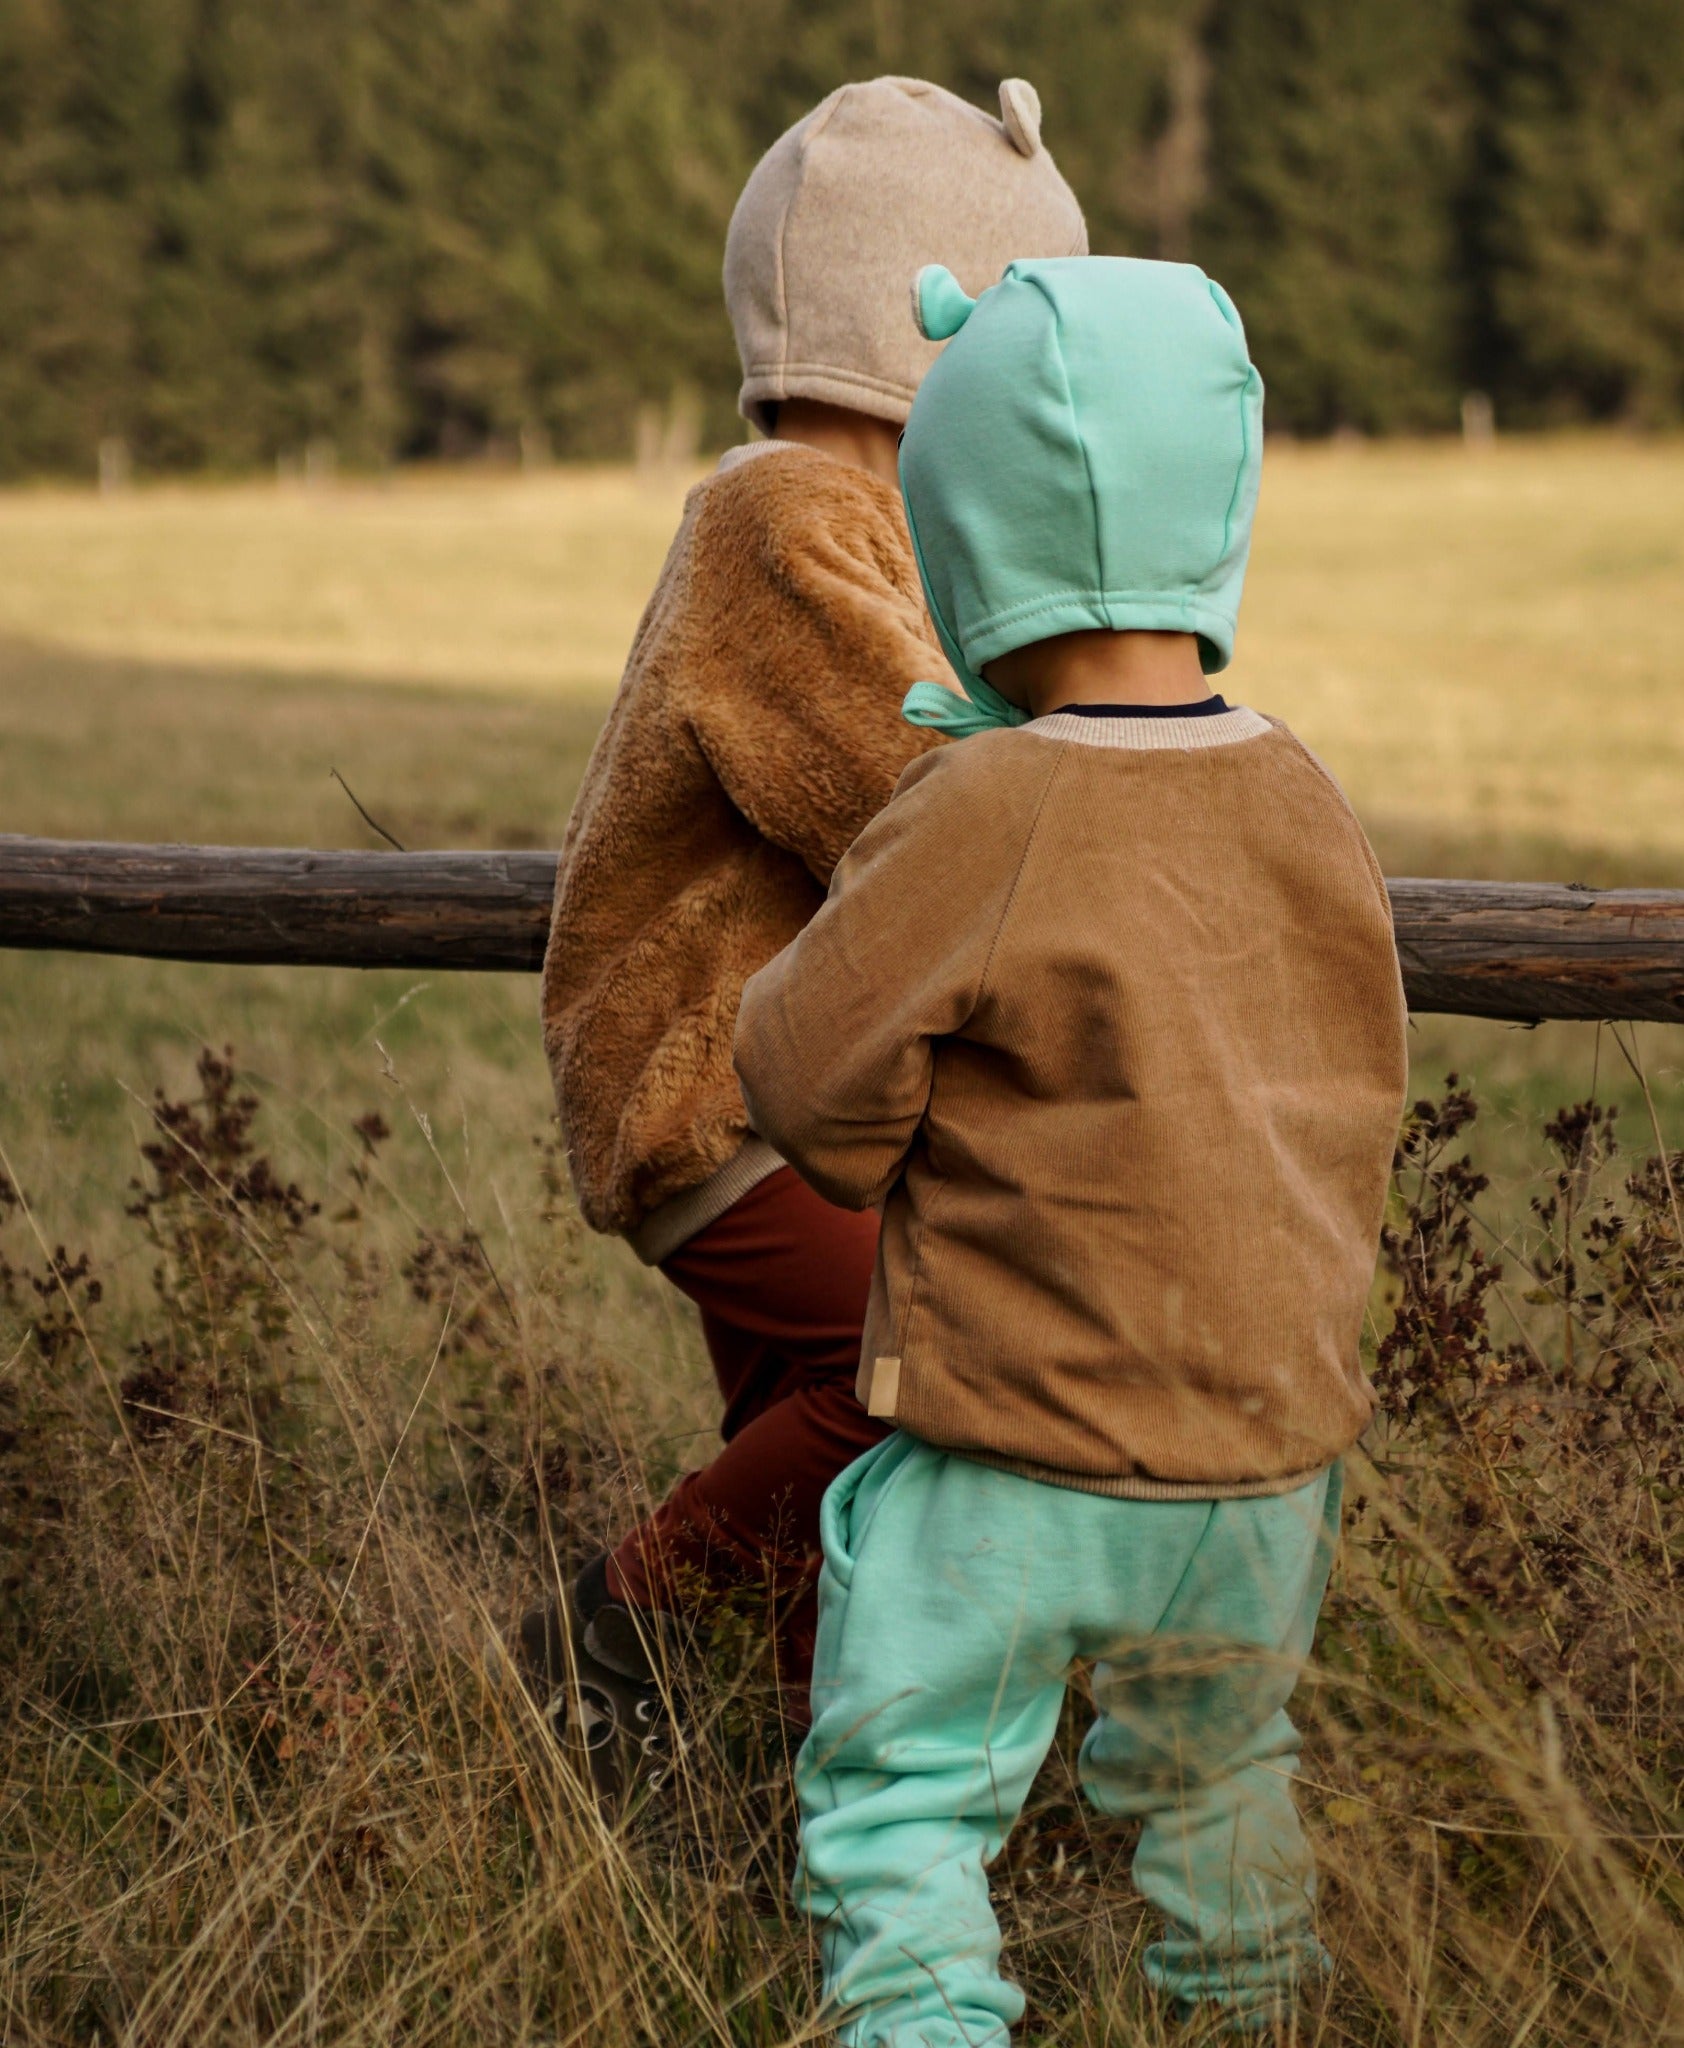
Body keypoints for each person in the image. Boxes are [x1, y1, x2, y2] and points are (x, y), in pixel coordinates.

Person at [732, 257, 1409, 2040]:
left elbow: (805, 1078)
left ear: (967, 540)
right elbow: (1361, 1082)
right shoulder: (1306, 794)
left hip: (1016, 1453)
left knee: (904, 1805)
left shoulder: (989, 800)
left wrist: (893, 1140)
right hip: (1265, 1460)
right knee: (1223, 1786)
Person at [522, 78, 1087, 1782]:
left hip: (778, 1076)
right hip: (714, 1086)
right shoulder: (786, 520)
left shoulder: (838, 518)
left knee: (820, 1436)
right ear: (940, 336)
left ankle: (781, 1760)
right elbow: (910, 790)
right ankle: (613, 1620)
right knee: (936, 1358)